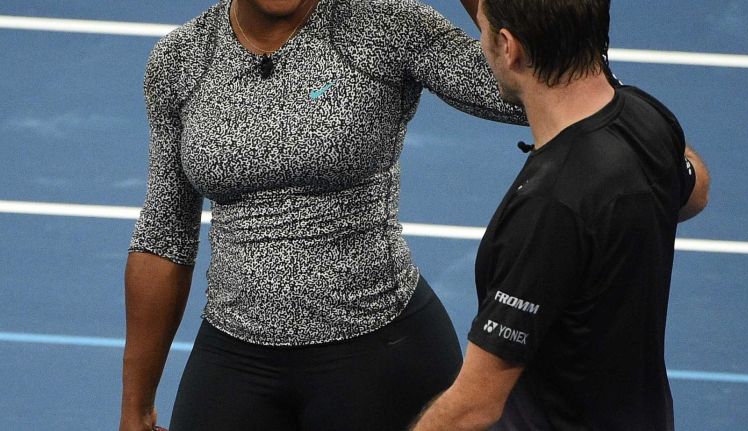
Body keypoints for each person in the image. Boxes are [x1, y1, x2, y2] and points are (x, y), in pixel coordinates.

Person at [119, 0, 529, 430]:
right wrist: (135, 407)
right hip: (233, 359)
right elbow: (164, 237)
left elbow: (537, 91)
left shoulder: (385, 24)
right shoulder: (181, 59)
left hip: (381, 356)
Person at [412, 0, 710, 430]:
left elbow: (473, 407)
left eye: (484, 34)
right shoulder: (646, 119)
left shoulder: (549, 208)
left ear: (509, 47)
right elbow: (693, 191)